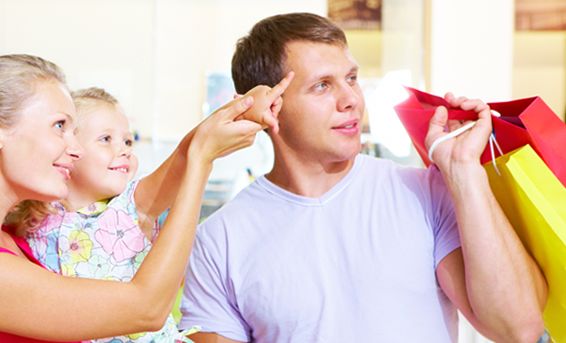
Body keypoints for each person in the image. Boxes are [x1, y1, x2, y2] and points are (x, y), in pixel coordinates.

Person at [180, 12, 548, 343]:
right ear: (268, 107)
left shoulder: (425, 192)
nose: (352, 99)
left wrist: (464, 172)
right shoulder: (218, 242)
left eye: (352, 78)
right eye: (322, 85)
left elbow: (517, 330)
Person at [0, 54, 288, 342]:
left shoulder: (7, 237)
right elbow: (146, 309)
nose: (75, 149)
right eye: (59, 127)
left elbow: (174, 167)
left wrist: (239, 112)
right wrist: (203, 161)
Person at [12, 82, 288, 343]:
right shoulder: (35, 214)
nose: (123, 150)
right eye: (106, 139)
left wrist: (242, 113)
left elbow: (186, 152)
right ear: (69, 148)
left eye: (128, 142)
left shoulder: (132, 206)